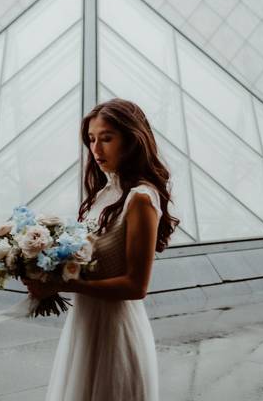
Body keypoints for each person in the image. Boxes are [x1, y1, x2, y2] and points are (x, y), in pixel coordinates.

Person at [24, 98, 179, 401]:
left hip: (115, 330)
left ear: (133, 140)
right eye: (91, 139)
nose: (96, 150)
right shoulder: (105, 194)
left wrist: (64, 283)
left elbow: (136, 286)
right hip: (86, 322)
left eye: (107, 138)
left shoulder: (140, 199)